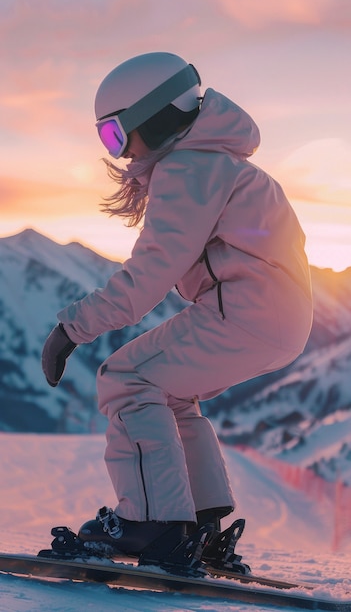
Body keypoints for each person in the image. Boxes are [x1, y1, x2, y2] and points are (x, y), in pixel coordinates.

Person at [42, 52, 313, 567]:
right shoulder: (221, 163)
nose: (117, 153)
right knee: (170, 393)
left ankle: (152, 523)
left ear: (157, 117)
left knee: (126, 380)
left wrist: (71, 328)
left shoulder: (188, 167)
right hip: (276, 316)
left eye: (115, 136)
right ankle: (199, 523)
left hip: (244, 312)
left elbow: (150, 274)